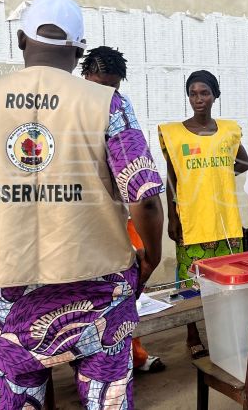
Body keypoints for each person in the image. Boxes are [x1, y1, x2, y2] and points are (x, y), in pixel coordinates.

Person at [0, 0, 164, 409]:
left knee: (16, 399)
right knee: (105, 401)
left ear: (21, 40)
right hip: (99, 289)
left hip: (6, 292)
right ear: (78, 50)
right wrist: (150, 256)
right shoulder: (107, 102)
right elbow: (145, 198)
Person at [80, 45, 166, 375]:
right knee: (116, 303)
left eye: (112, 88)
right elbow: (144, 193)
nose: (106, 95)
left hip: (100, 221)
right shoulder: (114, 106)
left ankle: (136, 355)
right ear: (84, 75)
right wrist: (154, 254)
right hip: (102, 227)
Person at [158, 69, 248, 359]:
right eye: (193, 93)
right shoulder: (173, 133)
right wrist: (172, 216)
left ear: (215, 96)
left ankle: (227, 332)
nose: (199, 99)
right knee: (190, 282)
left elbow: (243, 163)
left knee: (229, 281)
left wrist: (217, 171)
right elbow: (172, 175)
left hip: (225, 219)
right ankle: (192, 334)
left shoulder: (229, 130)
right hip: (191, 217)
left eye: (204, 93)